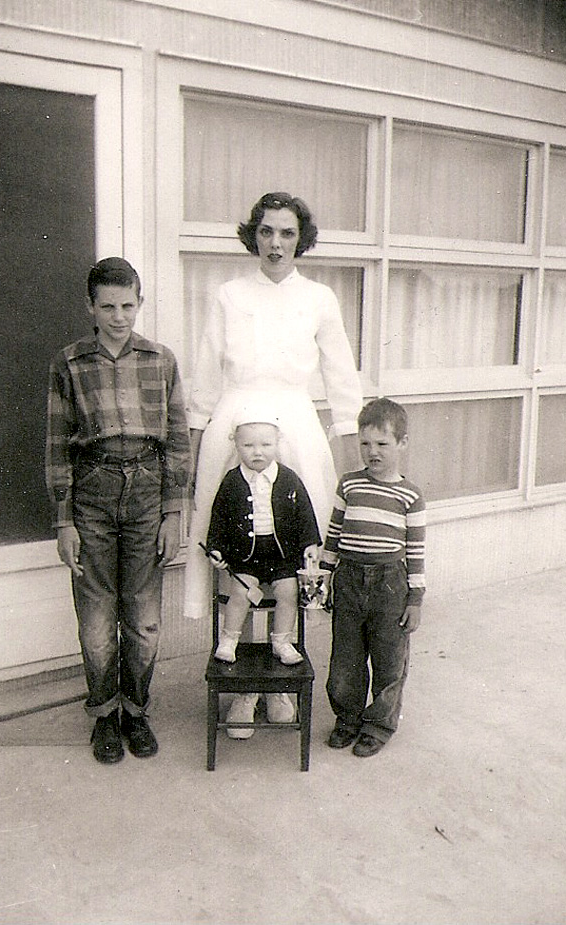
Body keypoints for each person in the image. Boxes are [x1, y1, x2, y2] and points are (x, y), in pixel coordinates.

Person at [185, 191, 363, 736]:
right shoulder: (228, 295)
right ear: (253, 236)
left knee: (290, 562)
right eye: (266, 231)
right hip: (236, 425)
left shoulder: (320, 298)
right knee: (239, 562)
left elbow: (340, 376)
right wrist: (197, 459)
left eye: (286, 233)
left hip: (296, 429)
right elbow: (207, 378)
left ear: (300, 239)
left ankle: (280, 690)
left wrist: (349, 450)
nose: (276, 243)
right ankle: (243, 694)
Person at [46, 257, 191, 764]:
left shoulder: (161, 360)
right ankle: (105, 715)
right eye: (107, 306)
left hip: (149, 489)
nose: (118, 316)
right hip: (92, 490)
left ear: (140, 303)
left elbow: (176, 439)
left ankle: (136, 710)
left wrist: (175, 512)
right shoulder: (69, 363)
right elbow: (57, 443)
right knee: (96, 619)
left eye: (128, 305)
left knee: (144, 617)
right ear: (90, 306)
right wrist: (64, 519)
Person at [320, 398, 425, 758]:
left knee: (388, 660)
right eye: (365, 444)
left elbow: (415, 552)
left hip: (390, 584)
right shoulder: (349, 485)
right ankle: (347, 719)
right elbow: (333, 535)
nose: (372, 452)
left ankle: (378, 725)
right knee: (346, 658)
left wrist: (415, 599)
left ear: (402, 444)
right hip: (348, 578)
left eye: (382, 444)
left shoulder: (410, 496)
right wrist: (324, 576)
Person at [206, 405, 321, 668]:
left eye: (266, 444)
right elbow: (219, 518)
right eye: (248, 445)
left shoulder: (289, 478)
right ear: (235, 444)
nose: (257, 452)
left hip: (282, 555)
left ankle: (281, 640)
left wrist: (310, 543)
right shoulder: (232, 481)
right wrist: (216, 549)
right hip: (245, 556)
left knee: (288, 591)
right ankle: (229, 639)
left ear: (277, 443)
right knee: (241, 591)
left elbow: (304, 514)